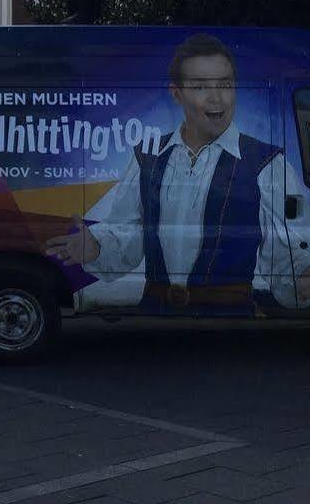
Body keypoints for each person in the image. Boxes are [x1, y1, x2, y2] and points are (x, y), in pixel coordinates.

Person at [45, 33, 310, 314]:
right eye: (200, 87)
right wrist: (97, 247)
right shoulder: (146, 157)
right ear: (176, 93)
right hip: (155, 311)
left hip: (230, 318)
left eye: (225, 84)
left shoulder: (266, 162)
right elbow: (131, 233)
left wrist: (302, 277)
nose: (216, 98)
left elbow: (286, 248)